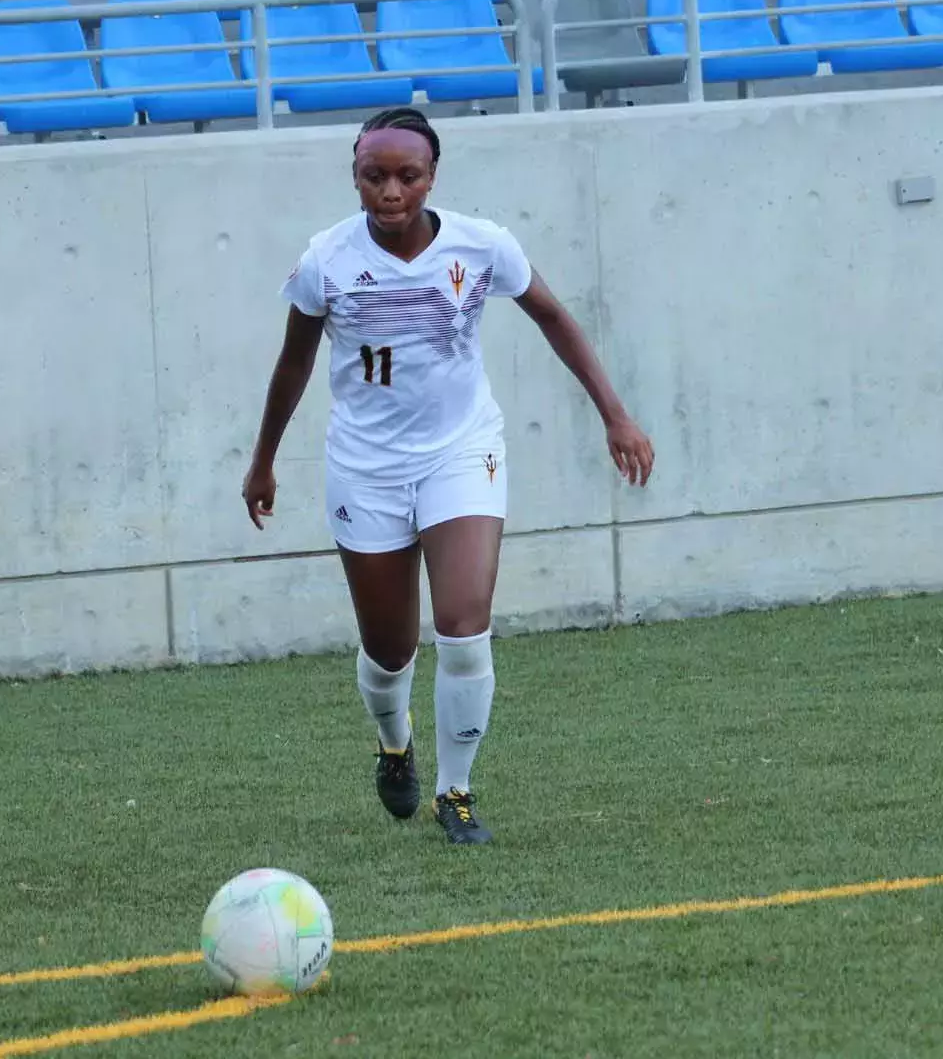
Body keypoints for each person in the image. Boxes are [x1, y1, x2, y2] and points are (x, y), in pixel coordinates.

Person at [241, 108, 655, 846]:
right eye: (376, 176)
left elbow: (553, 317)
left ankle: (454, 790)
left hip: (460, 451)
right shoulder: (325, 261)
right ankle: (393, 742)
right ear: (356, 177)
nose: (391, 191)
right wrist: (263, 459)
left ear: (433, 177)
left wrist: (615, 415)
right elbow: (293, 362)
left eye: (408, 175)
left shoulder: (482, 244)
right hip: (365, 468)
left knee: (463, 627)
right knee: (391, 647)